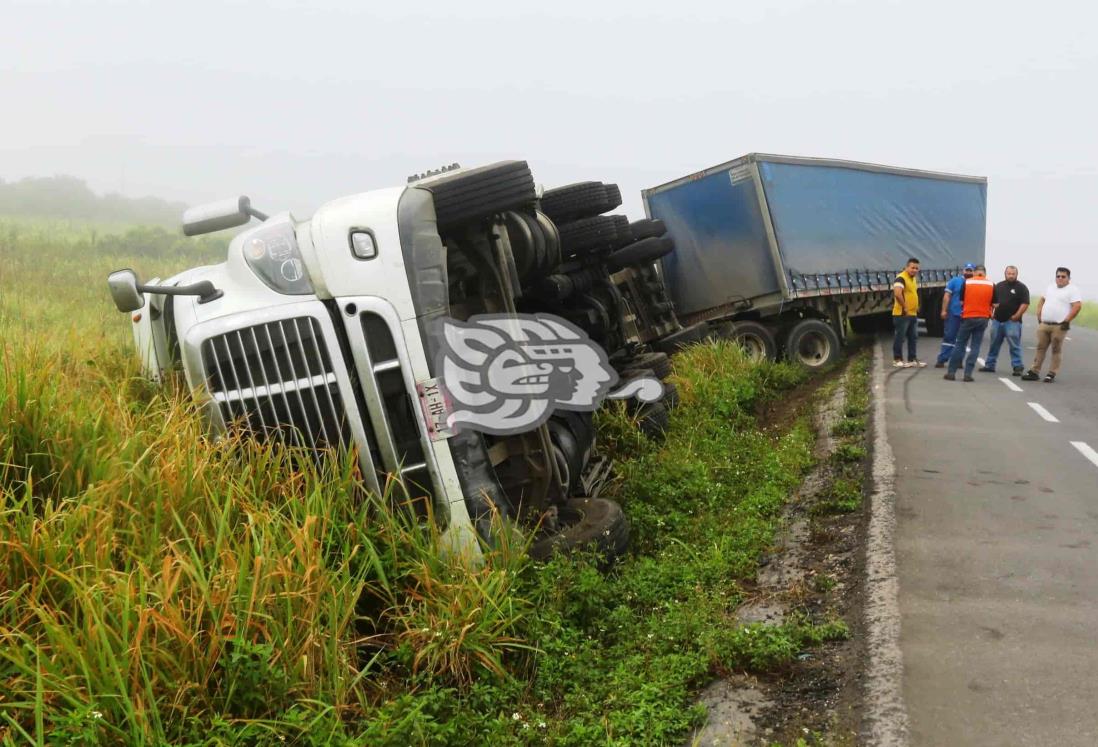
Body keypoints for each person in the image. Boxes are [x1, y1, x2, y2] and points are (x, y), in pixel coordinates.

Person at [1021, 267, 1083, 383]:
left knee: (1056, 349)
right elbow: (1042, 301)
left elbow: (1077, 306)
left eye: (1063, 276)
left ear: (1068, 278)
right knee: (1040, 347)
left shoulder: (1072, 290)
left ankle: (1051, 373)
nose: (1060, 278)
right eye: (1058, 276)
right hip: (1045, 323)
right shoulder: (1050, 287)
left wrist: (1067, 320)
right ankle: (1034, 371)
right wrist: (1039, 315)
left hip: (1059, 325)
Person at [944, 265, 995, 381]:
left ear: (974, 273)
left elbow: (961, 301)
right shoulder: (991, 284)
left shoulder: (967, 283)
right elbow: (995, 304)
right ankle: (968, 375)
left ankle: (951, 373)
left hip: (968, 317)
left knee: (960, 344)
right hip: (983, 318)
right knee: (975, 346)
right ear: (985, 274)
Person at [979, 265, 1030, 376]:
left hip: (1012, 321)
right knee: (994, 344)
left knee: (1014, 345)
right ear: (1005, 273)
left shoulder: (1022, 287)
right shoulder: (998, 286)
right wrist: (991, 313)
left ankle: (1017, 366)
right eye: (1009, 273)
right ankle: (990, 365)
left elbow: (1025, 303)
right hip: (997, 321)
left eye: (1013, 274)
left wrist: (1017, 315)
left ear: (1017, 274)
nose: (1011, 275)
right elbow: (991, 301)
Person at [935, 263, 975, 368]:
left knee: (962, 340)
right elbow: (947, 296)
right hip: (954, 314)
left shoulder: (974, 284)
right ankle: (942, 359)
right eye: (967, 270)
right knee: (949, 337)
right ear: (963, 270)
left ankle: (958, 361)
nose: (969, 272)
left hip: (967, 316)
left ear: (974, 272)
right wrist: (944, 310)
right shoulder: (954, 281)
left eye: (971, 270)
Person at [892, 257, 926, 368]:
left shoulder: (913, 278)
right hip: (902, 313)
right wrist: (905, 307)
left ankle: (912, 359)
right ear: (907, 267)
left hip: (912, 313)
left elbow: (912, 293)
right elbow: (898, 294)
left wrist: (917, 306)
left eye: (916, 268)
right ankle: (897, 359)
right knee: (900, 337)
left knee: (913, 337)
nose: (914, 270)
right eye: (912, 268)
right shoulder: (900, 278)